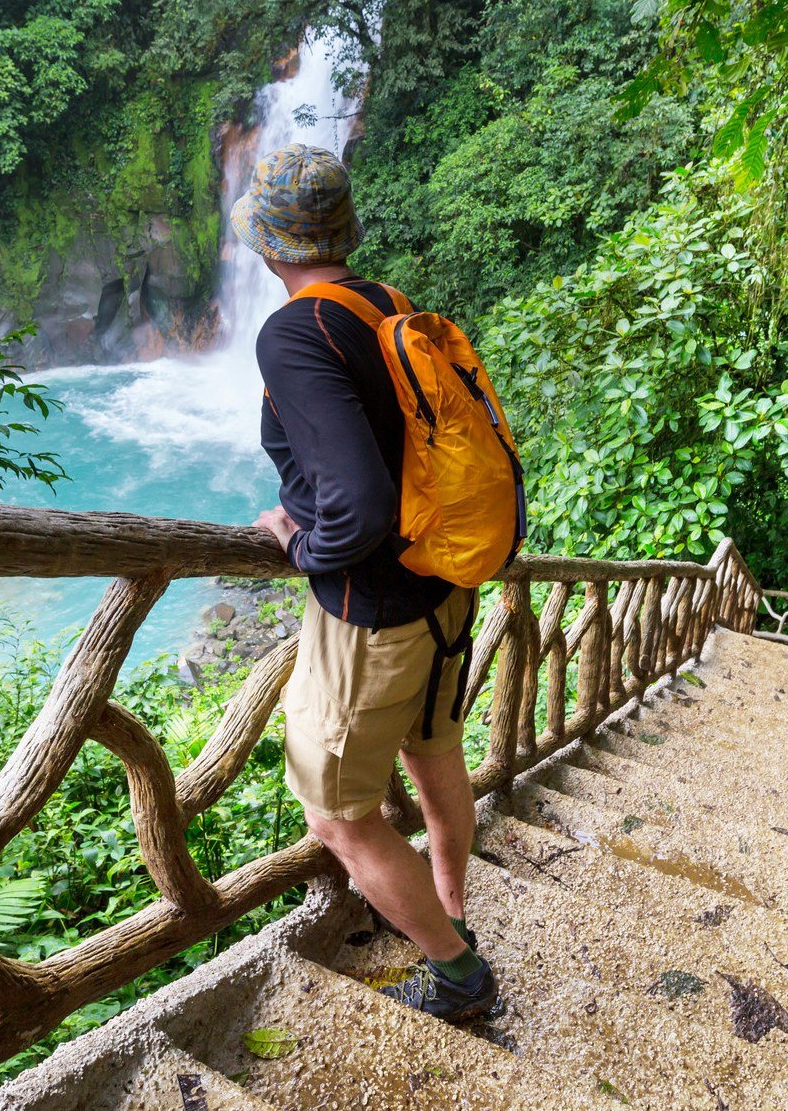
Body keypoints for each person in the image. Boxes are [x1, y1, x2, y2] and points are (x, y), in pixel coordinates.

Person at [237, 142, 498, 1024]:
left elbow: (357, 503)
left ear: (267, 243)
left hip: (373, 619)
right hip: (443, 594)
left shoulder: (292, 331)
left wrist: (301, 543)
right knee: (433, 755)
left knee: (339, 816)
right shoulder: (383, 304)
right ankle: (450, 904)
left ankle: (458, 970)